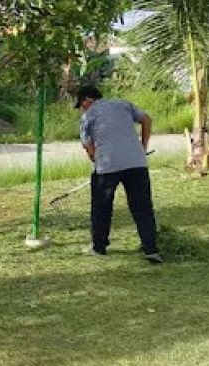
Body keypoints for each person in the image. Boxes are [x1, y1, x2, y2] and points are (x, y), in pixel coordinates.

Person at [76, 85, 163, 264]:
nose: (82, 108)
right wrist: (143, 147)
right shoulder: (123, 104)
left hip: (107, 166)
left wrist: (94, 158)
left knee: (101, 207)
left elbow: (87, 144)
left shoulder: (88, 115)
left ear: (88, 100)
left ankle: (99, 247)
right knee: (143, 207)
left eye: (81, 104)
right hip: (136, 163)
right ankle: (151, 249)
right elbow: (147, 120)